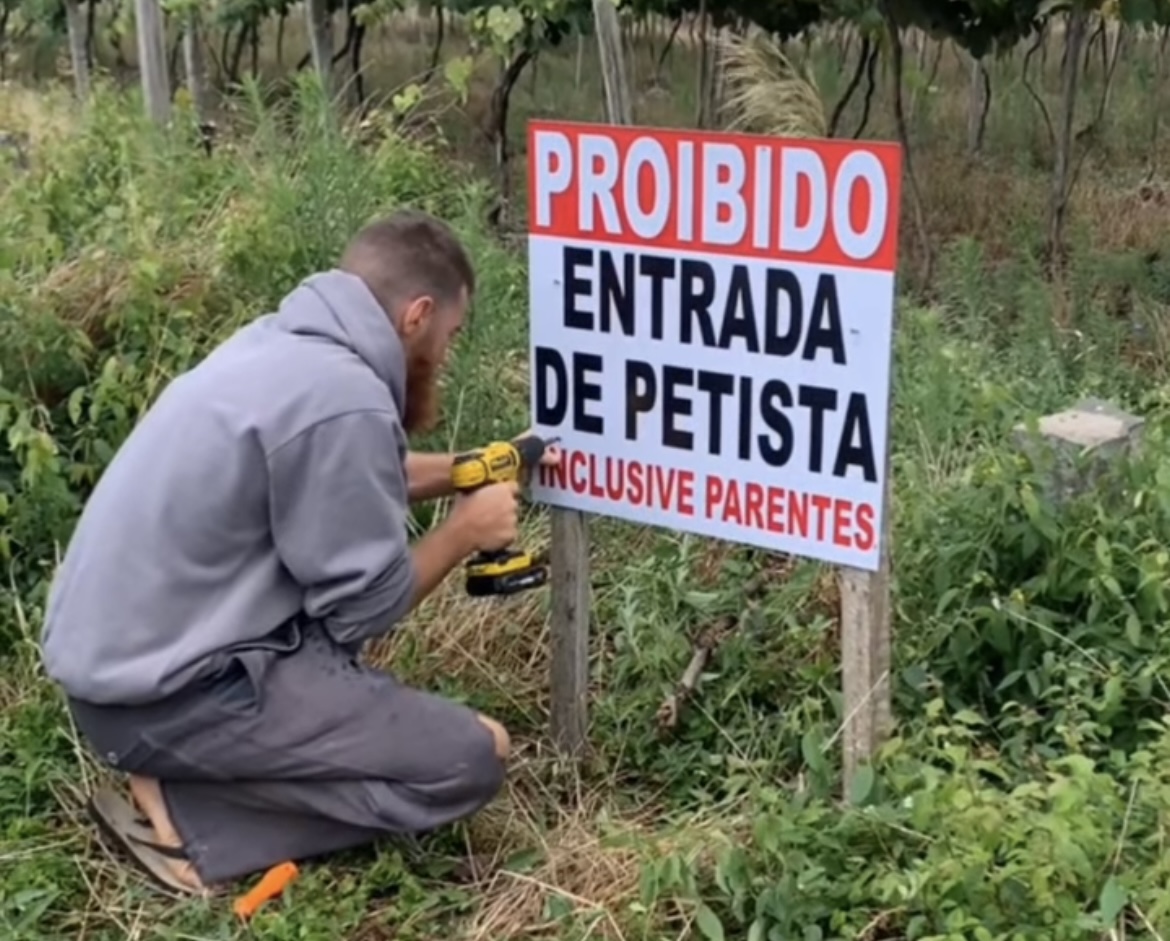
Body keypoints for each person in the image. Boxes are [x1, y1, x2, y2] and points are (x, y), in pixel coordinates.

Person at [39, 209, 562, 895]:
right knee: (472, 756)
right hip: (165, 698)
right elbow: (361, 613)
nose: (449, 351)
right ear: (418, 313)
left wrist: (475, 466)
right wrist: (465, 530)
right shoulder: (343, 398)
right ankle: (190, 821)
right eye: (451, 335)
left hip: (114, 676)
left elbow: (358, 466)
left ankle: (178, 770)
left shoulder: (279, 345)